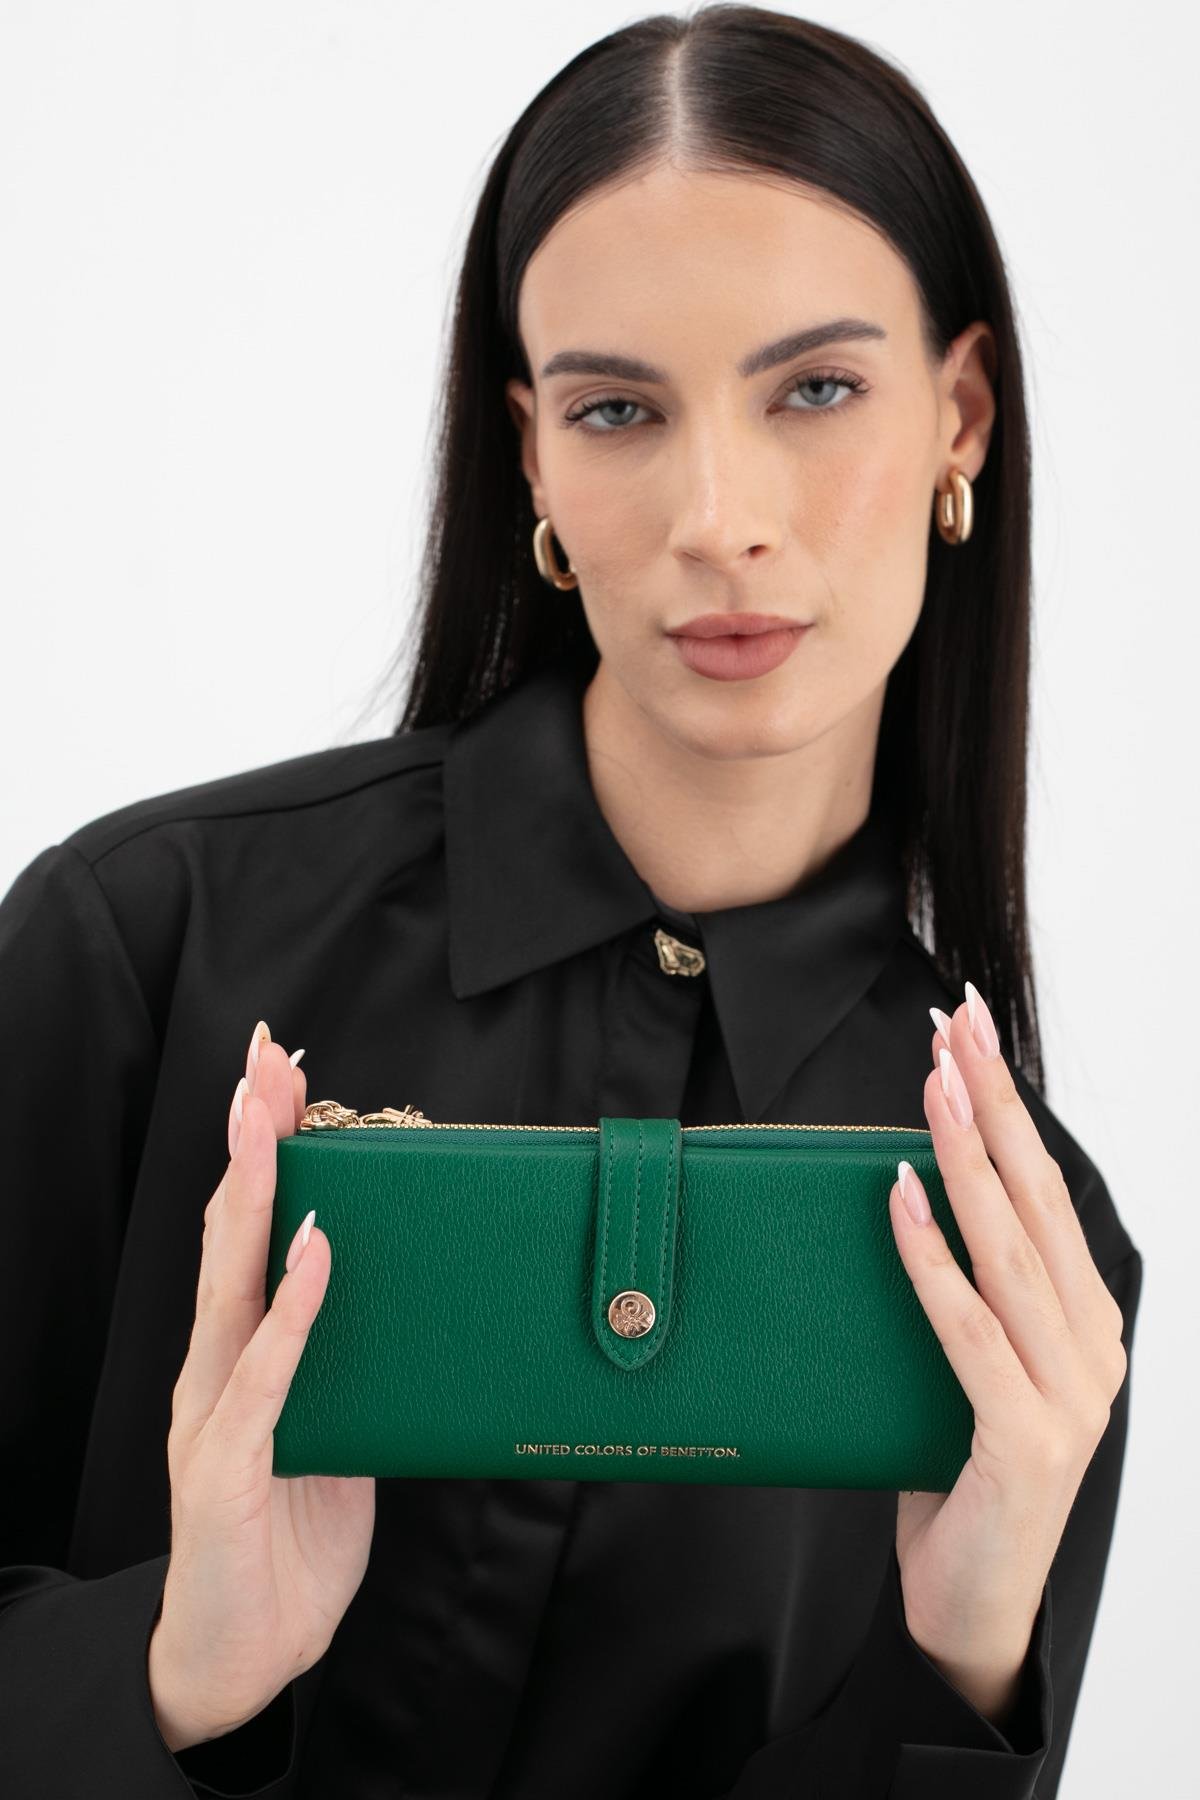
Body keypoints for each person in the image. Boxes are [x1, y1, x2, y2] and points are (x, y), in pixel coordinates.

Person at [0, 7, 1142, 1797]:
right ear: (532, 455)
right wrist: (170, 1681)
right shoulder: (142, 944)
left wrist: (967, 1666)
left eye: (816, 391)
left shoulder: (1022, 1236)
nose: (719, 517)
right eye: (620, 410)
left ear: (962, 420)